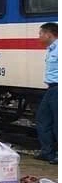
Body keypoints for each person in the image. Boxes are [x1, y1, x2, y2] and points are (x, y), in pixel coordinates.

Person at [35, 22, 58, 164]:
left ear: (49, 34)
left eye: (41, 33)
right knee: (42, 119)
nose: (39, 37)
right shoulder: (51, 49)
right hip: (51, 89)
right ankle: (47, 152)